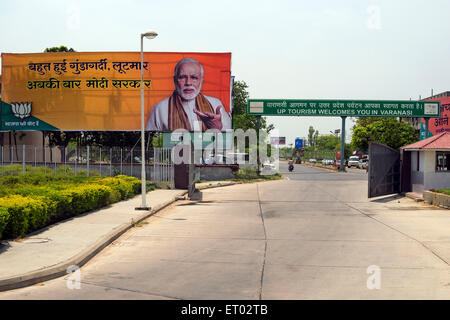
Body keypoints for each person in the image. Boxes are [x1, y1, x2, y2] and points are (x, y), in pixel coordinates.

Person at [146, 57, 231, 131]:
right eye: (182, 77)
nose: (188, 83)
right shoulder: (159, 109)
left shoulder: (215, 104)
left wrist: (217, 127)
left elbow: (228, 139)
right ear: (175, 80)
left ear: (201, 80)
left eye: (194, 78)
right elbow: (151, 139)